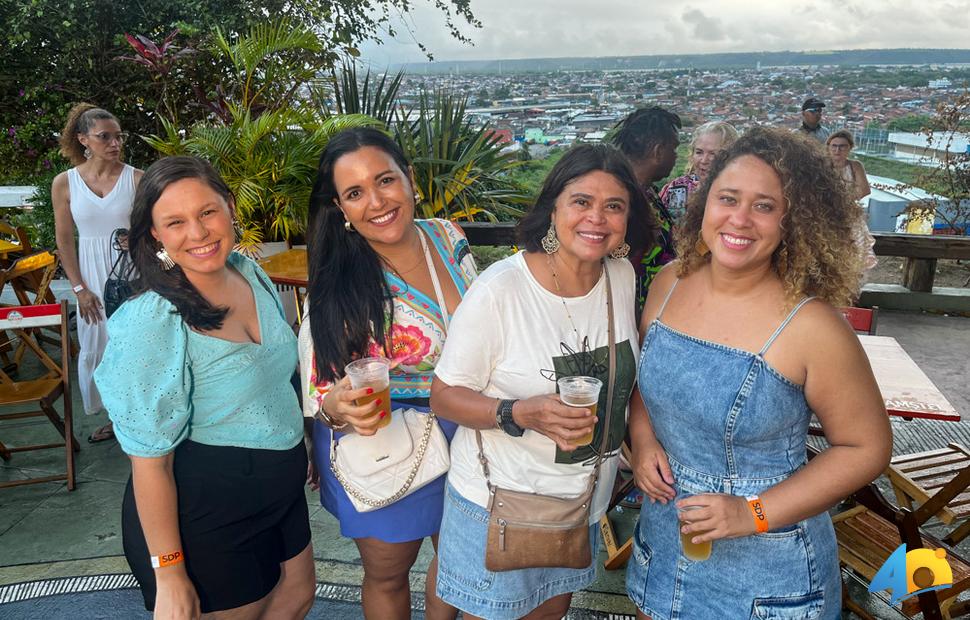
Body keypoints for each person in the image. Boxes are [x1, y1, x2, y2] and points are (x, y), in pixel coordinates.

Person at [627, 127, 892, 619]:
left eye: (765, 206)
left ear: (794, 222)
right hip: (663, 537)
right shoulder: (668, 283)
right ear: (704, 204)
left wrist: (752, 513)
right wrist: (643, 442)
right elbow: (648, 385)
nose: (740, 219)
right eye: (728, 198)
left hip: (769, 570)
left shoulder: (813, 325)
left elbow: (867, 447)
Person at [429, 143, 653, 620]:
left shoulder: (620, 276)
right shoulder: (501, 289)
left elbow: (626, 377)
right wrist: (519, 412)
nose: (597, 218)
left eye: (614, 206)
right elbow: (443, 397)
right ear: (553, 207)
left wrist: (644, 445)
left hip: (581, 499)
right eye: (581, 202)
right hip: (504, 506)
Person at [94, 156, 315, 618]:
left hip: (280, 492)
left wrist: (304, 436)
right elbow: (149, 462)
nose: (198, 233)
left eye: (207, 212)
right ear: (155, 234)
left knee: (295, 597)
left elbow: (276, 376)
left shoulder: (248, 272)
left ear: (230, 207)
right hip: (206, 515)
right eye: (175, 222)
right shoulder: (153, 318)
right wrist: (170, 573)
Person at [300, 127, 476, 620]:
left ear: (410, 179)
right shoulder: (340, 280)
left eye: (386, 180)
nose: (376, 202)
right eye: (355, 193)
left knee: (459, 561)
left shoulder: (447, 236)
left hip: (465, 428)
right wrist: (336, 407)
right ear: (340, 207)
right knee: (387, 574)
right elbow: (324, 393)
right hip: (383, 440)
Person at [52, 103, 143, 443]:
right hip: (89, 278)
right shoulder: (65, 183)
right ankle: (113, 417)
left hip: (131, 277)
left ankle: (136, 416)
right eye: (104, 137)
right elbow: (64, 239)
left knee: (133, 344)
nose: (114, 143)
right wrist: (78, 288)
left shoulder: (137, 179)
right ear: (83, 140)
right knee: (98, 344)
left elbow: (153, 231)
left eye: (118, 136)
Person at [610, 106, 681, 311]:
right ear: (658, 151)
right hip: (634, 314)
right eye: (673, 149)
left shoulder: (645, 193)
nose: (676, 156)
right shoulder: (623, 200)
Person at [659, 121, 738, 223]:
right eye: (699, 152)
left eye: (713, 154)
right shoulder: (677, 189)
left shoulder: (741, 193)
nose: (704, 160)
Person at [826, 129, 871, 201]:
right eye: (834, 146)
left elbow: (864, 190)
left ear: (850, 147)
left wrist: (841, 202)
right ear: (829, 147)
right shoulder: (821, 164)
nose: (837, 150)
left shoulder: (856, 166)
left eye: (842, 146)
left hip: (847, 208)